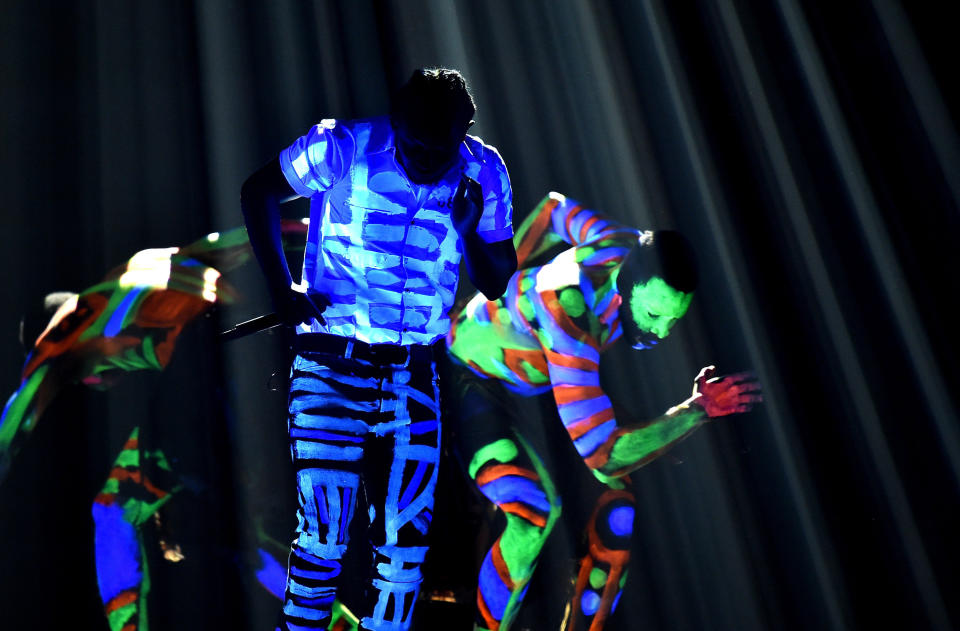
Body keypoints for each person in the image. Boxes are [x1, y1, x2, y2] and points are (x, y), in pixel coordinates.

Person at [239, 68, 517, 631]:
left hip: (415, 375)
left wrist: (466, 229)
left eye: (442, 150)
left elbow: (497, 279)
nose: (427, 160)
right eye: (415, 144)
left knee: (404, 555)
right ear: (397, 122)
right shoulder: (341, 146)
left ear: (463, 135)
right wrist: (281, 287)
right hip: (329, 364)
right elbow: (259, 190)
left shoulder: (484, 171)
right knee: (322, 537)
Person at [445, 191, 762, 631]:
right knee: (535, 511)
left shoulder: (623, 244)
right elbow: (604, 454)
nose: (659, 332)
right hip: (469, 379)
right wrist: (697, 410)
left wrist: (503, 272)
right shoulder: (569, 314)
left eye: (673, 321)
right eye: (652, 315)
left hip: (534, 387)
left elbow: (554, 209)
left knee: (618, 510)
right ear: (624, 286)